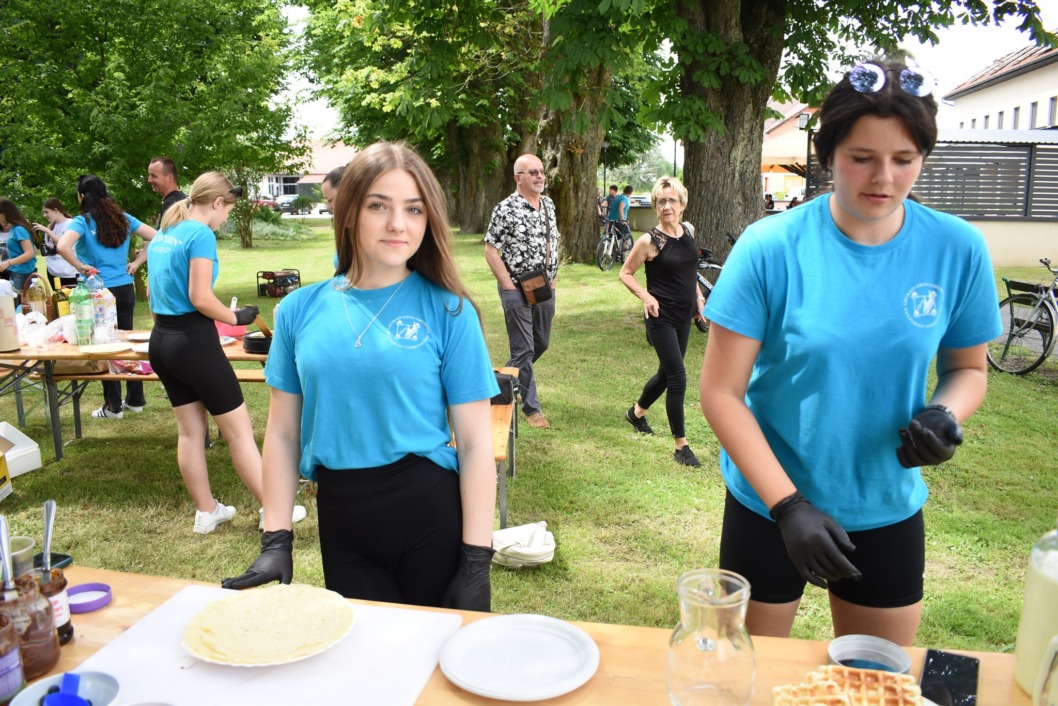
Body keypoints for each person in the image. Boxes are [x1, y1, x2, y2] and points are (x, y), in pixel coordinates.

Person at [699, 61, 1002, 645]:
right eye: (862, 157)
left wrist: (945, 414)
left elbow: (967, 369)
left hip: (885, 503)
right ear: (829, 154)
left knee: (874, 679)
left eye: (904, 159)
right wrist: (788, 506)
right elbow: (721, 393)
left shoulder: (957, 248)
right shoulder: (770, 247)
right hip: (768, 504)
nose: (883, 177)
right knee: (747, 675)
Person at [222, 142, 498, 612]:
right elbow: (284, 435)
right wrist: (276, 537)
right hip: (342, 520)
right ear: (348, 212)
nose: (398, 224)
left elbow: (474, 444)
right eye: (378, 206)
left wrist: (475, 561)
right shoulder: (298, 310)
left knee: (439, 654)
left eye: (414, 209)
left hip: (428, 514)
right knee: (368, 654)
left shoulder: (450, 310)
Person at [147, 171, 306, 535]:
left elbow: (158, 297)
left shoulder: (165, 233)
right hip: (193, 344)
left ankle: (207, 512)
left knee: (190, 434)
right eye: (228, 211)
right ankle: (273, 511)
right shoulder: (200, 234)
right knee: (238, 433)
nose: (225, 219)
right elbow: (200, 297)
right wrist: (237, 317)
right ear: (218, 202)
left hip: (162, 341)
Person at [619, 177, 704, 468]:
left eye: (672, 201)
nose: (667, 206)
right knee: (678, 377)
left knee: (666, 374)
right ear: (655, 206)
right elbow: (625, 273)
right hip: (660, 318)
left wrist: (698, 297)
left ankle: (636, 413)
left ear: (682, 204)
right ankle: (681, 446)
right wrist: (646, 296)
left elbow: (690, 271)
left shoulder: (688, 231)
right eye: (661, 201)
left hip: (683, 316)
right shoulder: (648, 241)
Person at [58, 174, 157, 419]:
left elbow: (62, 246)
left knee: (105, 346)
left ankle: (113, 407)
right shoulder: (124, 218)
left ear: (82, 196)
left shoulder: (82, 222)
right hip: (124, 288)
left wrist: (81, 267)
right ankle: (135, 400)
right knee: (128, 344)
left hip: (98, 291)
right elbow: (156, 236)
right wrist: (136, 263)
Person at [484, 154, 559, 429]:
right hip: (515, 287)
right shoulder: (505, 209)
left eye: (541, 171)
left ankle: (498, 382)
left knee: (541, 343)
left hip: (543, 287)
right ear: (518, 178)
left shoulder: (548, 204)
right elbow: (490, 250)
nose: (540, 176)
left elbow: (554, 241)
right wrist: (508, 285)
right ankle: (532, 408)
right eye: (533, 172)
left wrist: (554, 278)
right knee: (524, 348)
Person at [32, 198, 79, 286]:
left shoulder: (71, 224)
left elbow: (64, 245)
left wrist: (48, 231)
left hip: (69, 273)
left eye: (46, 212)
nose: (44, 215)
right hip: (52, 272)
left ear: (56, 210)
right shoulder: (50, 226)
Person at [0, 199, 39, 293]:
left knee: (20, 301)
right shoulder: (14, 228)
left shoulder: (19, 229)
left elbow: (29, 253)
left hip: (22, 273)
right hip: (16, 272)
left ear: (4, 213)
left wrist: (7, 263)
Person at [147, 156, 187, 222]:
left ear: (170, 177)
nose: (149, 180)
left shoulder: (171, 205)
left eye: (153, 176)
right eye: (149, 175)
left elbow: (167, 229)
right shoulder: (181, 199)